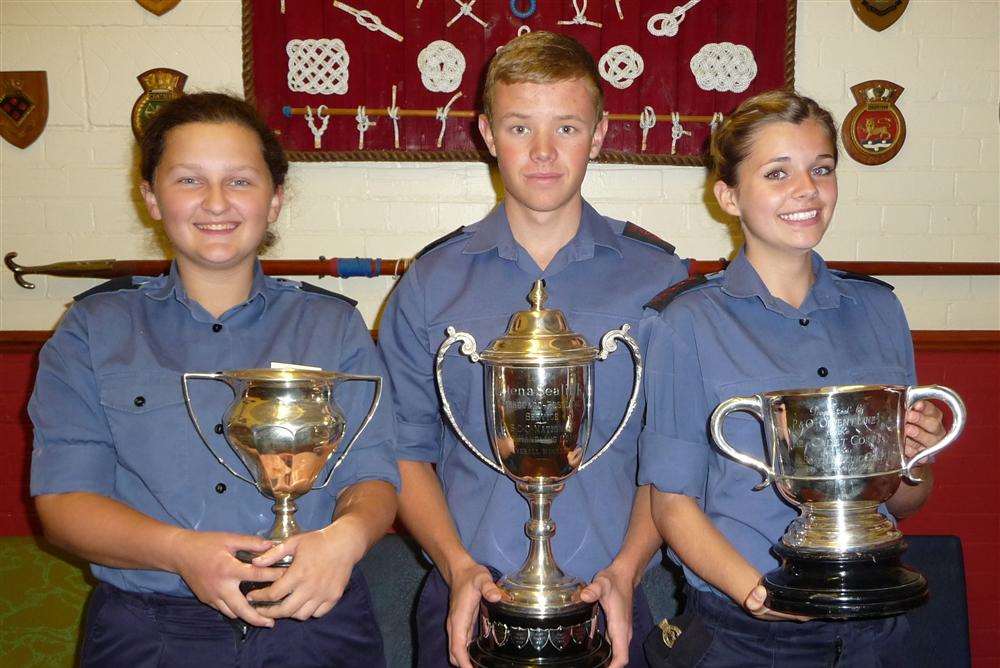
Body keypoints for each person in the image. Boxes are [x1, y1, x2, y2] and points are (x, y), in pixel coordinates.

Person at [29, 92, 399, 667]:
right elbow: (64, 500)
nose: (217, 203)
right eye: (189, 181)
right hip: (150, 633)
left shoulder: (334, 326)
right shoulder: (91, 331)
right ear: (151, 197)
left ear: (275, 200)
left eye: (241, 181)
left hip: (314, 625)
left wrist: (345, 539)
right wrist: (181, 552)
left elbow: (374, 475)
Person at [378, 31, 688, 668]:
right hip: (468, 598)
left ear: (599, 135)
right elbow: (403, 451)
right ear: (488, 135)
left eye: (567, 128)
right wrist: (458, 567)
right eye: (520, 128)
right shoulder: (431, 283)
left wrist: (627, 571)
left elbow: (673, 451)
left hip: (618, 596)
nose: (544, 153)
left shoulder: (659, 279)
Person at [638, 90, 946, 666]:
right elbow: (672, 502)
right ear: (728, 196)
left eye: (821, 169)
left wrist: (916, 458)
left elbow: (904, 501)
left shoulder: (880, 310)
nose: (807, 189)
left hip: (875, 626)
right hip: (748, 635)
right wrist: (755, 591)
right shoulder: (684, 322)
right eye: (777, 173)